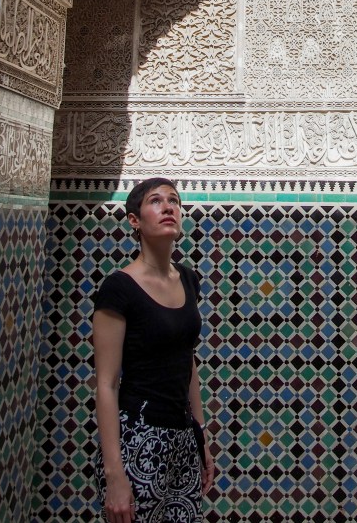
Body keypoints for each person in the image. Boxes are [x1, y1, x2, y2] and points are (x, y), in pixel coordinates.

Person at [92, 178, 215, 522]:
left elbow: (187, 361)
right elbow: (106, 384)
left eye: (174, 201)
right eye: (156, 201)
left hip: (182, 440)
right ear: (135, 220)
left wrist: (200, 436)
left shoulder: (188, 279)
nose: (168, 207)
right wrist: (115, 474)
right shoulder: (119, 288)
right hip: (136, 439)